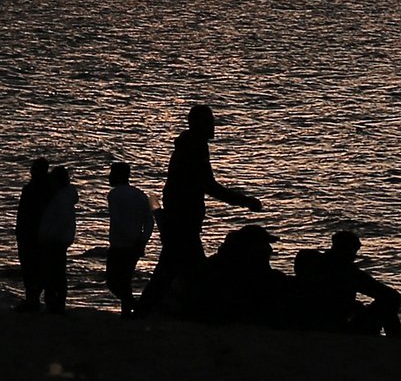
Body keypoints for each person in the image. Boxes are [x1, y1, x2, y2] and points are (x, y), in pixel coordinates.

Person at [132, 104, 262, 317]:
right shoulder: (194, 148)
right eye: (208, 121)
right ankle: (195, 313)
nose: (213, 125)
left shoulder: (191, 146)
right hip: (183, 223)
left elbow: (185, 187)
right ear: (196, 124)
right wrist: (244, 201)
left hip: (182, 221)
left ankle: (144, 312)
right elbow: (208, 185)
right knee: (187, 272)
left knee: (171, 271)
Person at [304, 231, 401, 337]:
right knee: (391, 299)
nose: (355, 255)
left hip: (313, 324)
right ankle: (396, 339)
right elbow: (388, 294)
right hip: (336, 328)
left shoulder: (316, 265)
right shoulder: (346, 270)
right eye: (354, 250)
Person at [190, 223, 293, 327]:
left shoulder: (219, 266)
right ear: (251, 249)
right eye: (263, 245)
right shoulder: (238, 277)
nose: (269, 249)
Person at [105, 162, 155, 315]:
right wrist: (143, 240)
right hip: (136, 244)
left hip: (120, 244)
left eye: (112, 174)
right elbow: (149, 221)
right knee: (125, 280)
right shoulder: (140, 194)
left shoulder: (114, 195)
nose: (109, 177)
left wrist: (131, 239)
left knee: (113, 281)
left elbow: (117, 220)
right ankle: (128, 311)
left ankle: (135, 307)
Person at [36, 165, 78, 314]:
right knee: (57, 272)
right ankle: (56, 303)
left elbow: (59, 221)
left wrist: (46, 236)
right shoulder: (64, 197)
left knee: (53, 273)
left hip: (54, 240)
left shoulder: (61, 199)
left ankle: (55, 304)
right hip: (59, 239)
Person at [13, 158, 51, 312]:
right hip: (33, 232)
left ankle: (33, 299)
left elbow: (25, 213)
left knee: (31, 266)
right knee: (34, 267)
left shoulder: (33, 189)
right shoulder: (48, 189)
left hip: (32, 233)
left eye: (35, 169)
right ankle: (33, 298)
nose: (32, 172)